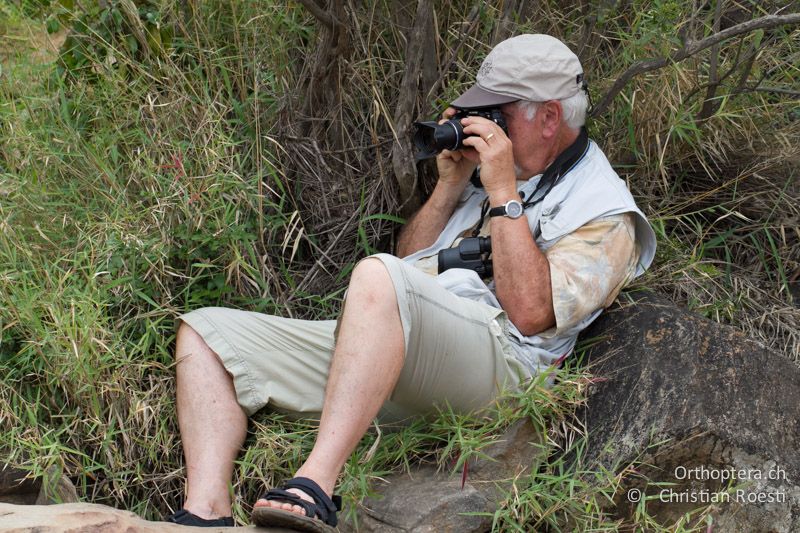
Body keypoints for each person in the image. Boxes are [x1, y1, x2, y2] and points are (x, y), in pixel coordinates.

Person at [165, 34, 656, 531]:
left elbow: (531, 315)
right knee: (208, 335)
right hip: (410, 354)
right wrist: (449, 186)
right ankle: (205, 513)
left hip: (503, 369)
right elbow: (409, 265)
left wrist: (505, 192)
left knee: (377, 275)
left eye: (498, 115)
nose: (483, 127)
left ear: (550, 118)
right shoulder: (495, 171)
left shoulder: (604, 211)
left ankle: (315, 483)